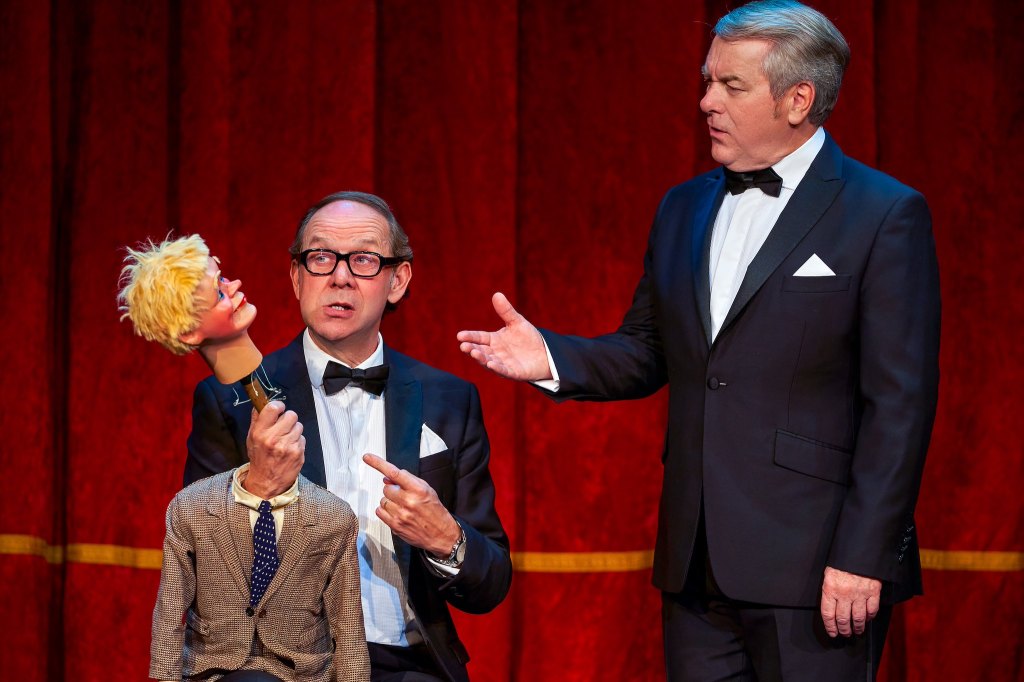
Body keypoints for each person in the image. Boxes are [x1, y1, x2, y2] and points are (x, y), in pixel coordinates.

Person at [457, 1, 940, 680]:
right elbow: (648, 350)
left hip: (817, 567)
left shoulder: (884, 213)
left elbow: (900, 406)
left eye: (731, 85)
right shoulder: (684, 206)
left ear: (798, 99)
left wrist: (863, 556)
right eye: (708, 81)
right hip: (695, 562)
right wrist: (555, 358)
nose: (707, 101)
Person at [186, 191, 512, 682]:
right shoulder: (230, 400)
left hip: (408, 665)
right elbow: (200, 576)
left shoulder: (450, 399)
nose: (339, 276)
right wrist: (258, 488)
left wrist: (445, 537)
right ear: (296, 277)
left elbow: (491, 583)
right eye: (320, 257)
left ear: (397, 281)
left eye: (363, 259)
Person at [119, 237, 369, 681]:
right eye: (218, 291)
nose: (233, 288)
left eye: (223, 277)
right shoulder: (217, 408)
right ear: (190, 335)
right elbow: (209, 553)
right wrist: (258, 484)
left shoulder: (283, 383)